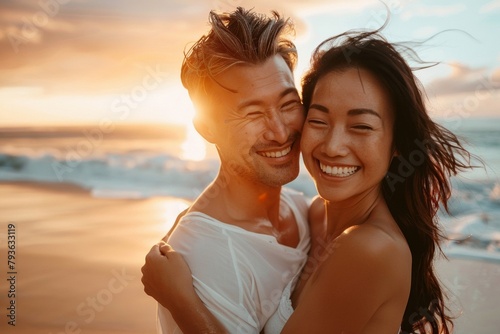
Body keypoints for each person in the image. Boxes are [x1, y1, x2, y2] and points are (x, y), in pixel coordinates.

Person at [142, 25, 476, 334]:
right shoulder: (312, 216)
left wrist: (181, 300)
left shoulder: (369, 248)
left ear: (398, 145)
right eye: (319, 119)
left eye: (361, 126)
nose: (332, 146)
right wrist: (192, 223)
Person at [141, 7, 312, 334]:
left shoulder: (302, 209)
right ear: (206, 128)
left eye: (288, 104)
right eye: (252, 114)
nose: (279, 131)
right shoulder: (204, 254)